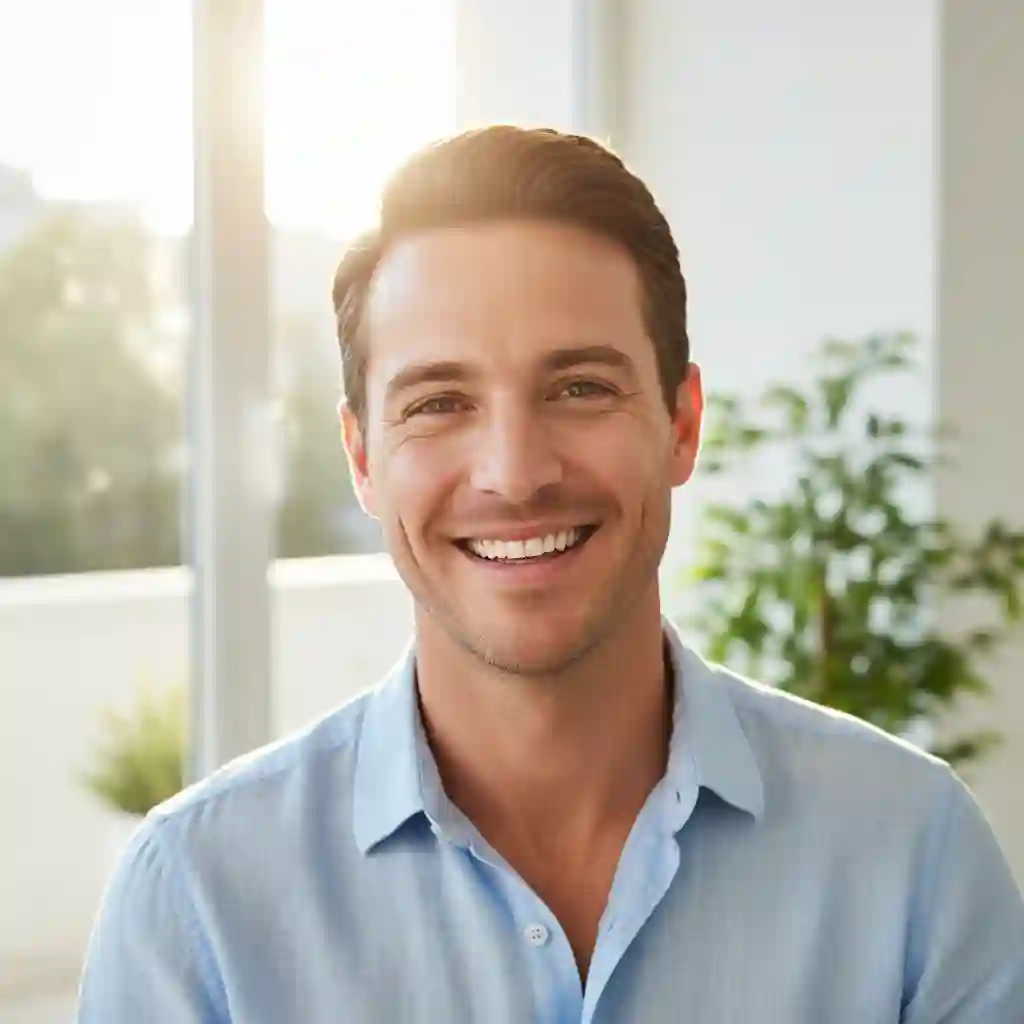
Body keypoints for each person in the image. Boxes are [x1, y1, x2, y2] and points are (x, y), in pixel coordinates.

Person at [76, 126, 1024, 1023]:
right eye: (440, 402)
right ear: (363, 459)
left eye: (580, 388)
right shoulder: (196, 900)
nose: (516, 473)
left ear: (682, 425)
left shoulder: (914, 855)